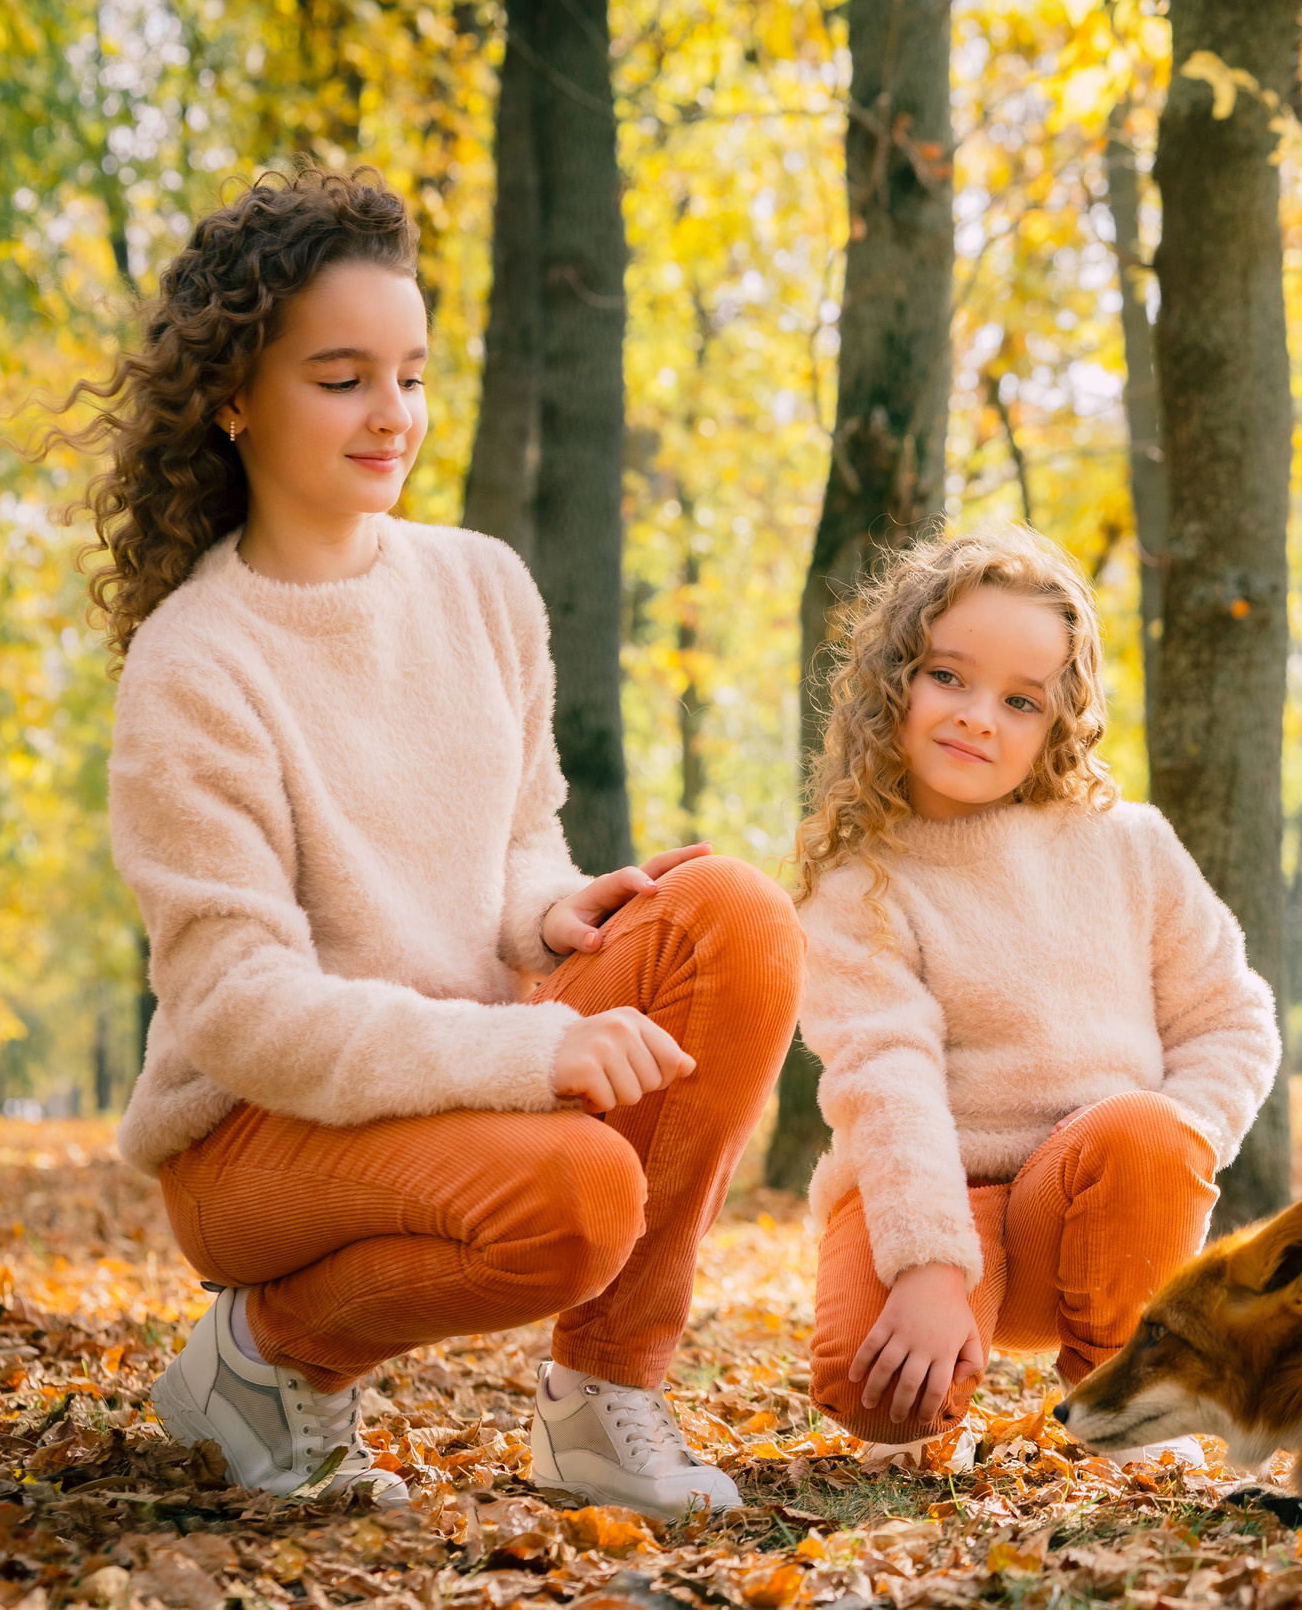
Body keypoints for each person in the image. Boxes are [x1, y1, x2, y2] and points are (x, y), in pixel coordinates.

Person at [66, 169, 802, 1515]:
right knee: (581, 1196)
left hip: (456, 1066)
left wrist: (549, 914)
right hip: (255, 1134)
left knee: (736, 912)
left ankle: (608, 1402)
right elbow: (244, 1010)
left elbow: (519, 834)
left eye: (408, 373)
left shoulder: (481, 586)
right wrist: (532, 1047)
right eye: (341, 377)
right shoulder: (195, 667)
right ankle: (264, 1355)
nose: (390, 414)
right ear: (234, 396)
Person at [794, 527, 1281, 1466]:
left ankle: (1129, 1397)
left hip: (1093, 1195)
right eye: (949, 677)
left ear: (1057, 723)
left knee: (1143, 1128)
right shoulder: (858, 883)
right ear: (895, 681)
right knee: (873, 1386)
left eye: (1021, 700)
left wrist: (1169, 1154)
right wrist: (927, 1260)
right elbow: (885, 1079)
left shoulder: (1128, 845)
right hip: (938, 1196)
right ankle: (934, 1374)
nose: (981, 716)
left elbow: (1230, 1018)